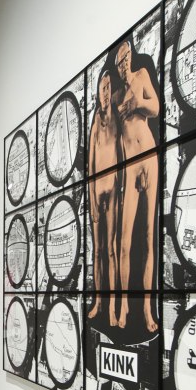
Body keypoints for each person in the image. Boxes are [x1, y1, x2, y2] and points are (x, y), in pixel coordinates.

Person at [113, 39, 160, 332]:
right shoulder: (117, 95)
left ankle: (146, 309)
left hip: (149, 157)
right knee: (125, 242)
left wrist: (137, 104)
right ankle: (123, 305)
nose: (125, 63)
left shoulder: (142, 76)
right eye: (120, 61)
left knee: (149, 236)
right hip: (130, 165)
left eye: (127, 57)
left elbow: (154, 107)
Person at [86, 68, 122, 325]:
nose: (106, 92)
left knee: (111, 250)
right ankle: (99, 302)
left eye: (109, 87)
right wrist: (91, 198)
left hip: (113, 188)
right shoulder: (95, 124)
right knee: (98, 252)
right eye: (103, 88)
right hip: (97, 191)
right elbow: (90, 165)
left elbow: (121, 152)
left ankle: (112, 307)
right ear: (98, 92)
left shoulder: (116, 117)